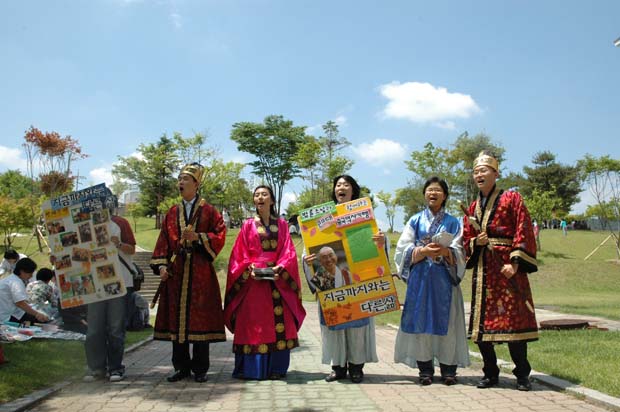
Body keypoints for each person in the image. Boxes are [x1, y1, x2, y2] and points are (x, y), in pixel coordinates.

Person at [463, 151, 538, 392]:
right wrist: (476, 242)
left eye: (484, 170)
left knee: (514, 322)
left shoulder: (512, 198)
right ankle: (490, 372)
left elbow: (523, 229)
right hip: (484, 271)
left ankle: (522, 374)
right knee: (482, 326)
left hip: (507, 268)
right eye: (476, 172)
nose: (479, 175)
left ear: (496, 173)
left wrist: (515, 264)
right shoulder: (473, 207)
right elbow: (467, 238)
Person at [302, 175, 385, 383]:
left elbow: (375, 247)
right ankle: (338, 367)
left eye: (346, 184)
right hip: (330, 286)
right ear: (334, 191)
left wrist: (381, 242)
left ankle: (356, 367)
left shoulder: (363, 215)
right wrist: (308, 260)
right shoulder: (321, 219)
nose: (341, 187)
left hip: (356, 280)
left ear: (353, 190)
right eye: (338, 185)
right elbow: (309, 249)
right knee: (334, 327)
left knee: (357, 326)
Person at [151, 163, 227, 383]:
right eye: (179, 179)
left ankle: (200, 369)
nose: (180, 183)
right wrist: (162, 266)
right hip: (176, 275)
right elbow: (163, 241)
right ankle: (181, 367)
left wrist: (199, 238)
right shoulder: (172, 213)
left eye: (185, 179)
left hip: (200, 274)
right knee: (178, 321)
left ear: (196, 184)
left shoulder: (209, 211)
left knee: (200, 320)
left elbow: (220, 235)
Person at [224, 185, 306, 380]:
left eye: (264, 194)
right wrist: (248, 268)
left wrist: (281, 268)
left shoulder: (283, 225)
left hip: (277, 281)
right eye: (257, 195)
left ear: (272, 200)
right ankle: (250, 369)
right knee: (253, 323)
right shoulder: (247, 225)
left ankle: (277, 368)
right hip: (252, 284)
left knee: (279, 322)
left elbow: (289, 252)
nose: (260, 197)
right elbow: (238, 254)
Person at [393, 177, 469, 386]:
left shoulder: (453, 222)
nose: (433, 193)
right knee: (422, 324)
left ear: (445, 196)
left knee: (448, 325)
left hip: (444, 280)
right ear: (424, 194)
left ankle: (448, 370)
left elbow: (460, 250)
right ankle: (425, 370)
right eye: (429, 190)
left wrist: (446, 252)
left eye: (437, 190)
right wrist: (422, 251)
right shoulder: (415, 220)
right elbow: (402, 249)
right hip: (421, 280)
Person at [83, 191, 137, 382]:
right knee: (94, 329)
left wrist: (119, 244)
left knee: (115, 328)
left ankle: (115, 368)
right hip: (95, 283)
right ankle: (96, 368)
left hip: (119, 282)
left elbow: (132, 249)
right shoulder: (85, 225)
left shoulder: (120, 223)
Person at [0, 258, 50, 324]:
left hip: (9, 313)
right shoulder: (16, 282)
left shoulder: (11, 279)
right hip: (8, 316)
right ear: (22, 271)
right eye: (30, 273)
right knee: (42, 320)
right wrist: (37, 314)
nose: (31, 276)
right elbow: (20, 303)